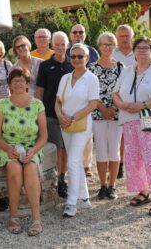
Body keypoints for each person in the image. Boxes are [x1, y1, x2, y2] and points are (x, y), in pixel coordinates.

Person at [112, 37, 151, 216]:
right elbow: (115, 92)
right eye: (138, 48)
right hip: (130, 120)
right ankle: (144, 190)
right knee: (135, 158)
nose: (142, 51)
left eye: (146, 48)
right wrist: (122, 105)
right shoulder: (128, 70)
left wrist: (143, 105)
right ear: (134, 51)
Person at [0, 67, 47, 236]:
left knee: (30, 168)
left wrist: (33, 151)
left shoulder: (37, 104)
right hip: (7, 148)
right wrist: (8, 149)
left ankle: (36, 218)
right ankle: (13, 216)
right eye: (14, 80)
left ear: (27, 84)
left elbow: (44, 136)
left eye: (21, 80)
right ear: (9, 85)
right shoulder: (2, 105)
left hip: (32, 147)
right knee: (14, 168)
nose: (18, 83)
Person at [55, 43, 99, 217]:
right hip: (65, 124)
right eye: (73, 56)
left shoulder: (91, 79)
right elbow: (58, 101)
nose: (76, 59)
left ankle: (71, 202)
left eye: (80, 56)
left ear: (87, 58)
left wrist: (72, 117)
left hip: (82, 125)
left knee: (72, 160)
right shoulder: (65, 78)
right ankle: (84, 198)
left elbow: (93, 104)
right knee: (76, 162)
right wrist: (60, 116)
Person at [35, 31, 73, 198]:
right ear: (53, 45)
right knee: (58, 148)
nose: (59, 47)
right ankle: (59, 179)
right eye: (57, 44)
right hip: (50, 113)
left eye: (62, 44)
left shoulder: (73, 65)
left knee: (67, 149)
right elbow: (39, 91)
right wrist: (39, 112)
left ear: (67, 45)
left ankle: (64, 177)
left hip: (70, 114)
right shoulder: (44, 66)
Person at [88, 32, 124, 200]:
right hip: (98, 114)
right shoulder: (92, 68)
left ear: (114, 46)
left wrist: (114, 109)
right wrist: (103, 109)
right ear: (99, 46)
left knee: (115, 151)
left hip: (116, 115)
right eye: (104, 44)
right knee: (101, 150)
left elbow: (124, 91)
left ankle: (112, 186)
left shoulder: (121, 67)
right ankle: (102, 185)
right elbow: (90, 93)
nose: (107, 47)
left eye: (110, 44)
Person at [68, 24, 100, 177]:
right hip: (69, 96)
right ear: (70, 34)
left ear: (85, 35)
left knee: (87, 134)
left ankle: (86, 165)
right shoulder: (66, 51)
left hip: (87, 97)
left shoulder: (92, 52)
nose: (78, 34)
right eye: (75, 32)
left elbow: (97, 73)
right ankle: (71, 165)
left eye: (81, 32)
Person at [113, 24, 136, 179]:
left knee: (136, 135)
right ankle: (119, 165)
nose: (124, 39)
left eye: (127, 35)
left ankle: (135, 167)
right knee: (119, 136)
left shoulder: (139, 52)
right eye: (121, 36)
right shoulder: (113, 53)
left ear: (131, 36)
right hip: (118, 99)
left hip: (137, 100)